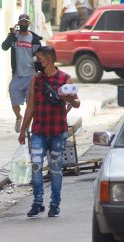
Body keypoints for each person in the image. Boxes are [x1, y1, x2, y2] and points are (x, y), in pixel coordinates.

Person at [18, 46, 80, 218]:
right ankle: (38, 202)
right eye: (36, 59)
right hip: (38, 130)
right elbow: (31, 106)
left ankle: (55, 204)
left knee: (55, 169)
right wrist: (23, 130)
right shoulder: (35, 80)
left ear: (50, 59)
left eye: (39, 59)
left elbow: (77, 103)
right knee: (36, 167)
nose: (37, 62)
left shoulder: (65, 79)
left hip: (57, 131)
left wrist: (67, 98)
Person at [1, 14, 42, 133]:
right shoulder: (14, 38)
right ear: (18, 23)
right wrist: (11, 34)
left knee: (31, 103)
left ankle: (27, 127)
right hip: (17, 76)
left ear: (29, 24)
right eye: (21, 22)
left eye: (26, 22)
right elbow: (4, 47)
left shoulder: (34, 40)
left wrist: (40, 70)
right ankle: (18, 117)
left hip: (31, 76)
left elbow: (40, 56)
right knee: (14, 101)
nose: (23, 24)